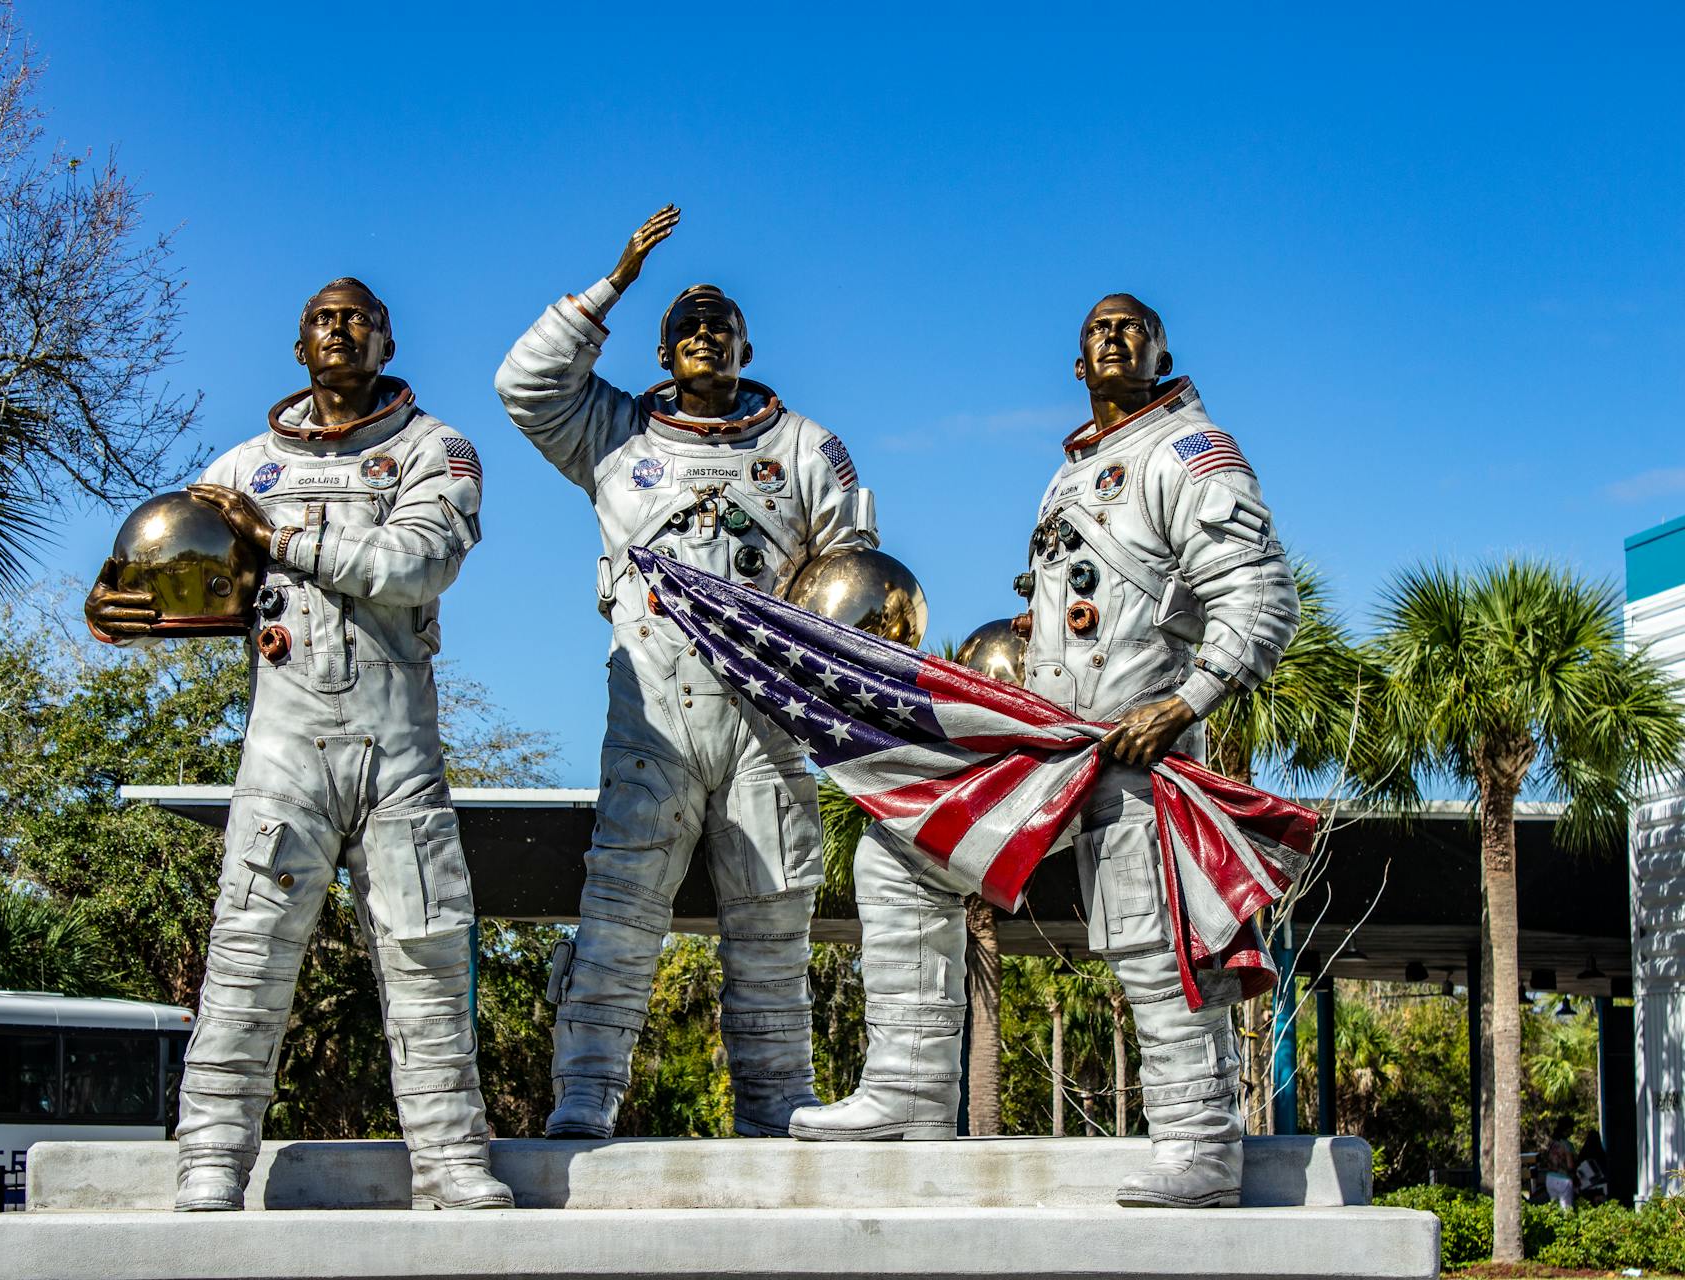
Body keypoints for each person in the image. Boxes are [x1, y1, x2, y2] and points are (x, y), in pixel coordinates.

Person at [791, 295, 1299, 1214]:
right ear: (1076, 365)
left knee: (1153, 936)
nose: (1112, 337)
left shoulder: (1188, 451)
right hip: (1056, 744)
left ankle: (1201, 1144)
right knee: (903, 849)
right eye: (1096, 330)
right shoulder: (1074, 471)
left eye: (1131, 326)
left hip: (1141, 749)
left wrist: (1183, 701)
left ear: (1163, 350)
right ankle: (908, 1085)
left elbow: (1261, 594)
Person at [85, 278, 511, 1212]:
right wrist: (119, 606)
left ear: (387, 340)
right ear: (298, 345)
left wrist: (278, 533)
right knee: (246, 951)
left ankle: (449, 1161)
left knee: (428, 952)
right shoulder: (241, 467)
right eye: (323, 319)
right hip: (285, 746)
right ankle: (210, 1160)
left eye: (359, 318)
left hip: (397, 749)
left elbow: (418, 565)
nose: (340, 330)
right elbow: (188, 579)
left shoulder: (433, 451)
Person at [494, 206, 875, 1139]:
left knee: (774, 915)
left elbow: (855, 575)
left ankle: (777, 1099)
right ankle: (587, 1091)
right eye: (686, 328)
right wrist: (614, 280)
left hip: (768, 718)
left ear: (748, 344)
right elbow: (523, 384)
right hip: (652, 713)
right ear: (661, 353)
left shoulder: (805, 449)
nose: (705, 336)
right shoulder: (613, 434)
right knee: (621, 907)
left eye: (721, 325)